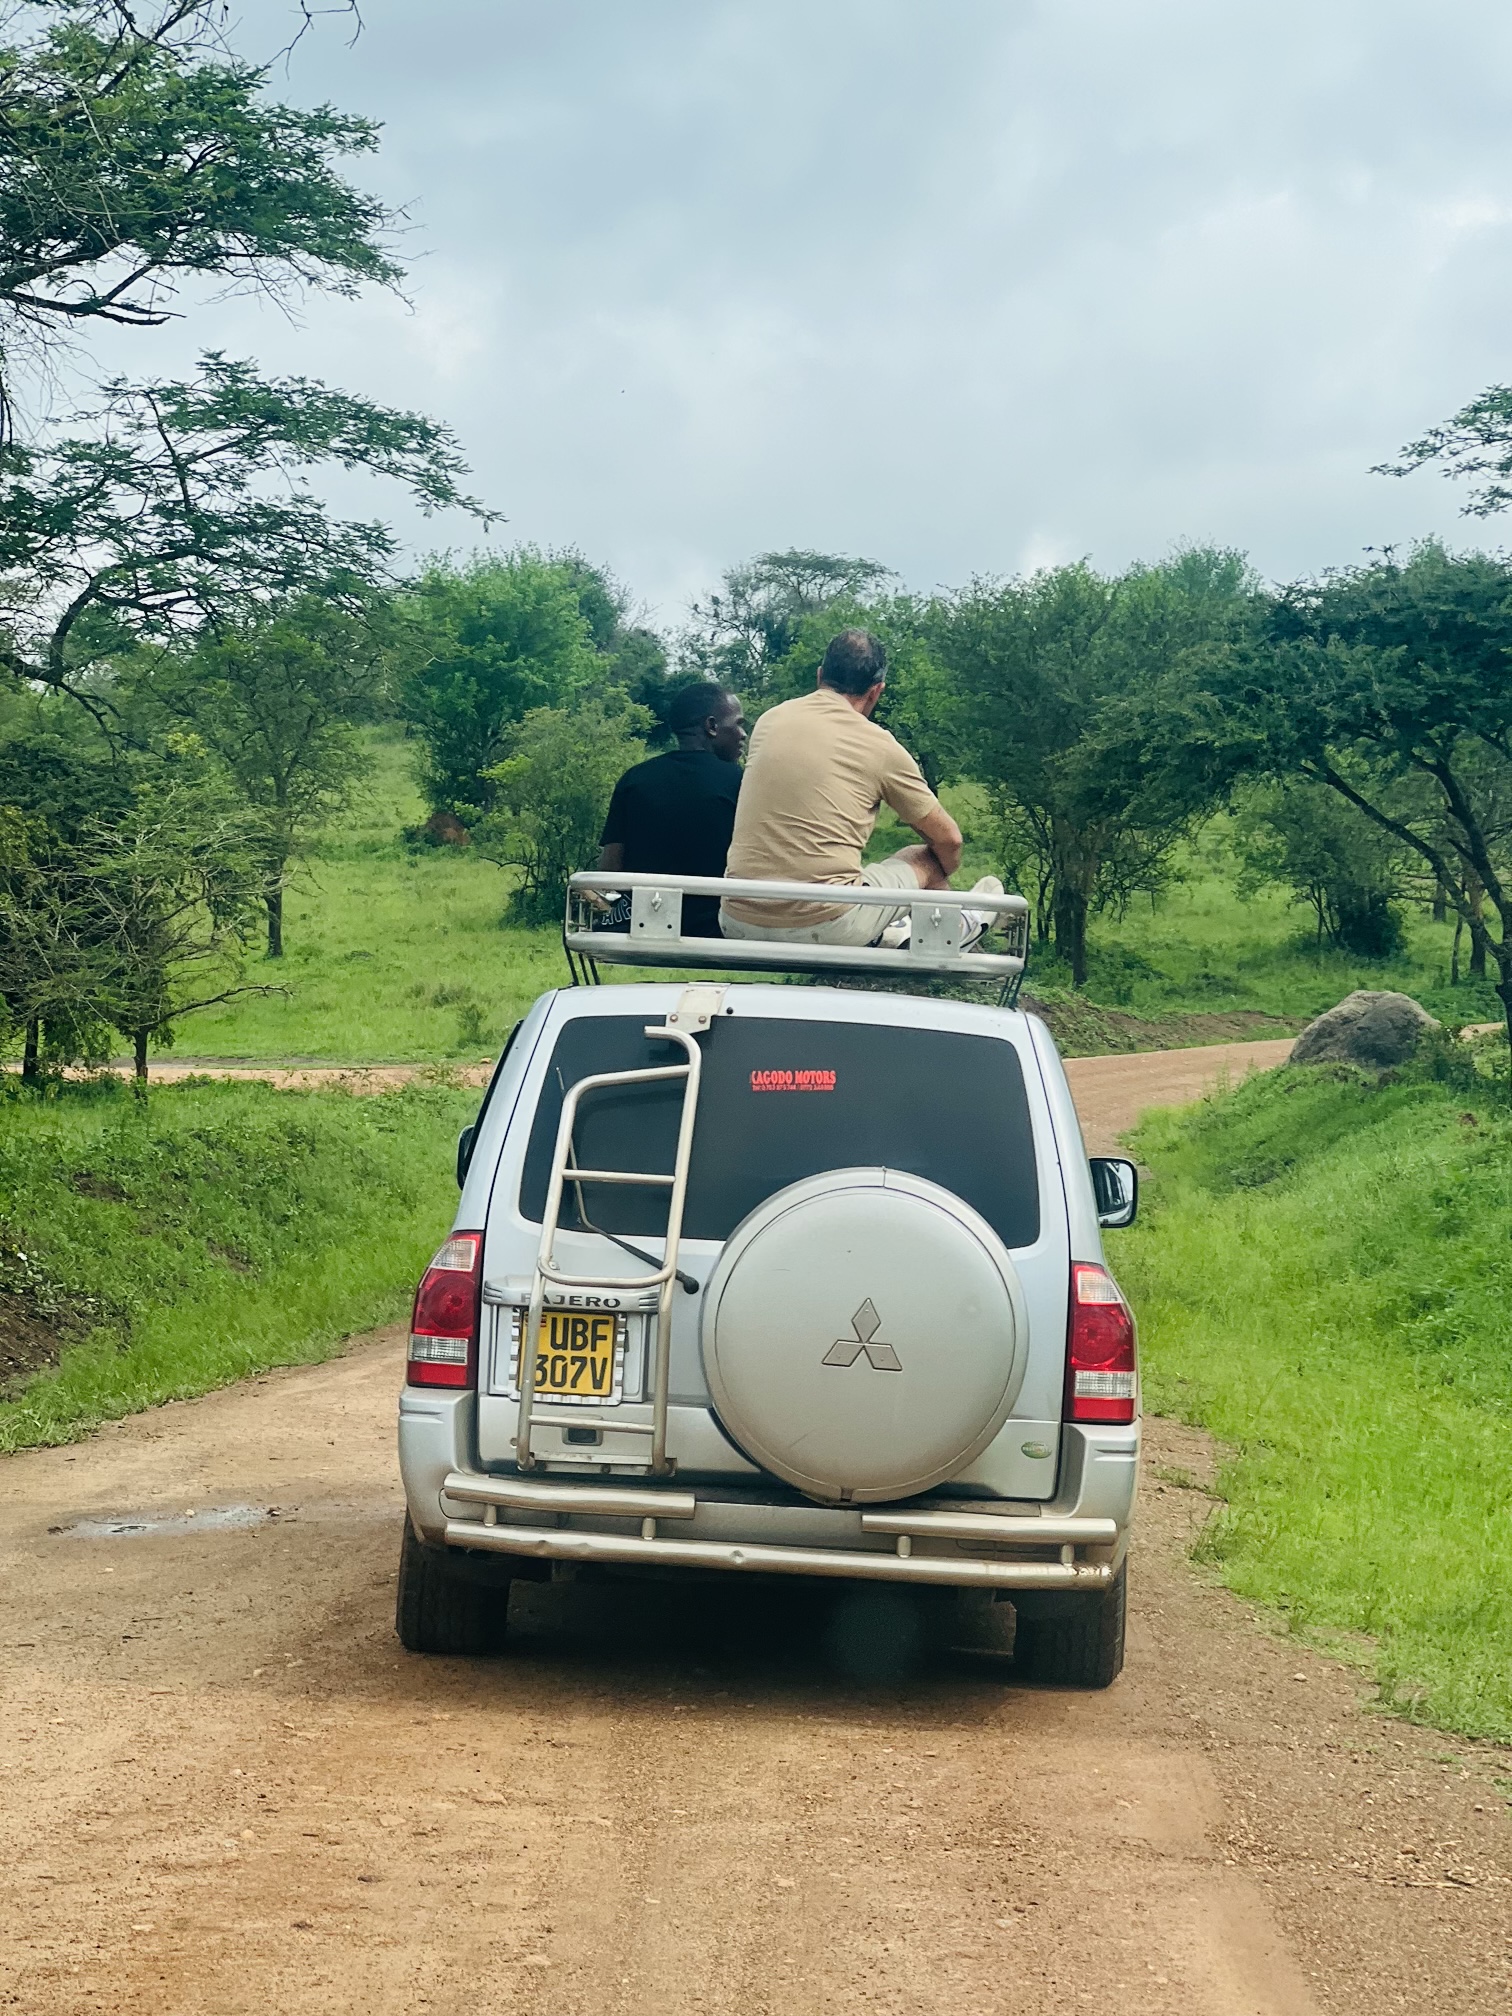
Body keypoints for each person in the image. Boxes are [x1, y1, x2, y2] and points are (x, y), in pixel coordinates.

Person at [719, 628, 1001, 946]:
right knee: (925, 858)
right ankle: (948, 933)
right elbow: (950, 839)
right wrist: (940, 872)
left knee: (854, 878)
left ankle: (885, 930)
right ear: (876, 691)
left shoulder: (770, 721)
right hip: (825, 925)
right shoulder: (879, 745)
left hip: (737, 920)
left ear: (820, 675)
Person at [597, 682, 746, 936]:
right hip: (717, 927)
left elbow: (610, 867)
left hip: (645, 924)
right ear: (711, 727)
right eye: (739, 723)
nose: (743, 734)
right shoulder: (740, 781)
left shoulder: (634, 779)